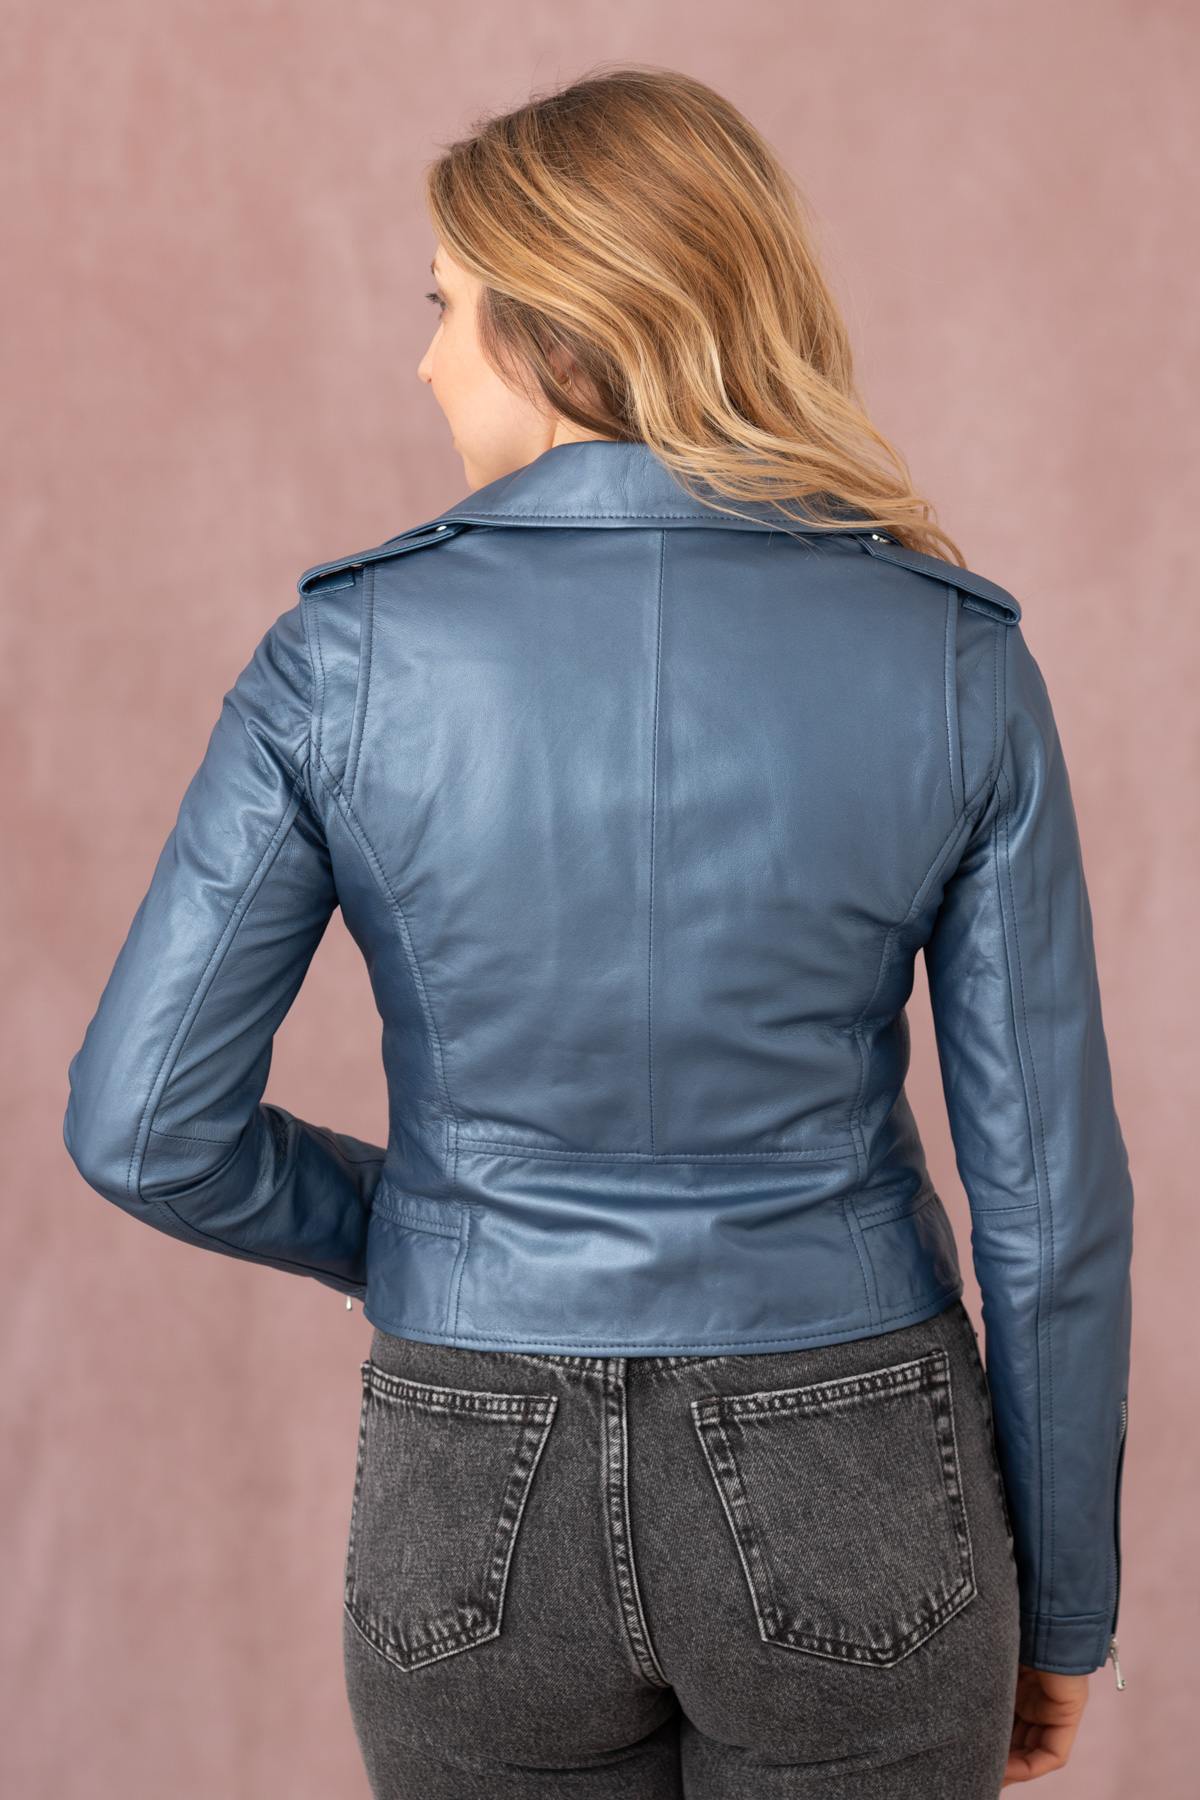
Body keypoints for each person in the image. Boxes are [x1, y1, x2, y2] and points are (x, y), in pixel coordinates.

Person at [62, 64, 1133, 1799]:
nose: (427, 362)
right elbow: (1051, 1209)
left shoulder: (341, 658)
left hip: (470, 1463)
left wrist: (417, 1229)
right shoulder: (952, 657)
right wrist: (1066, 1602)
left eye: (446, 308)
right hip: (852, 1451)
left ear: (561, 325)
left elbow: (140, 1126)